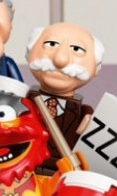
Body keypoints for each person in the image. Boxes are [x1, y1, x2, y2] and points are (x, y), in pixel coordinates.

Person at [25, 23, 102, 175]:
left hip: (62, 172)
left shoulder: (84, 114)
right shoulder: (22, 102)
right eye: (51, 44)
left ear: (95, 66)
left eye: (77, 49)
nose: (60, 60)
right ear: (30, 52)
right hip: (26, 168)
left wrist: (90, 124)